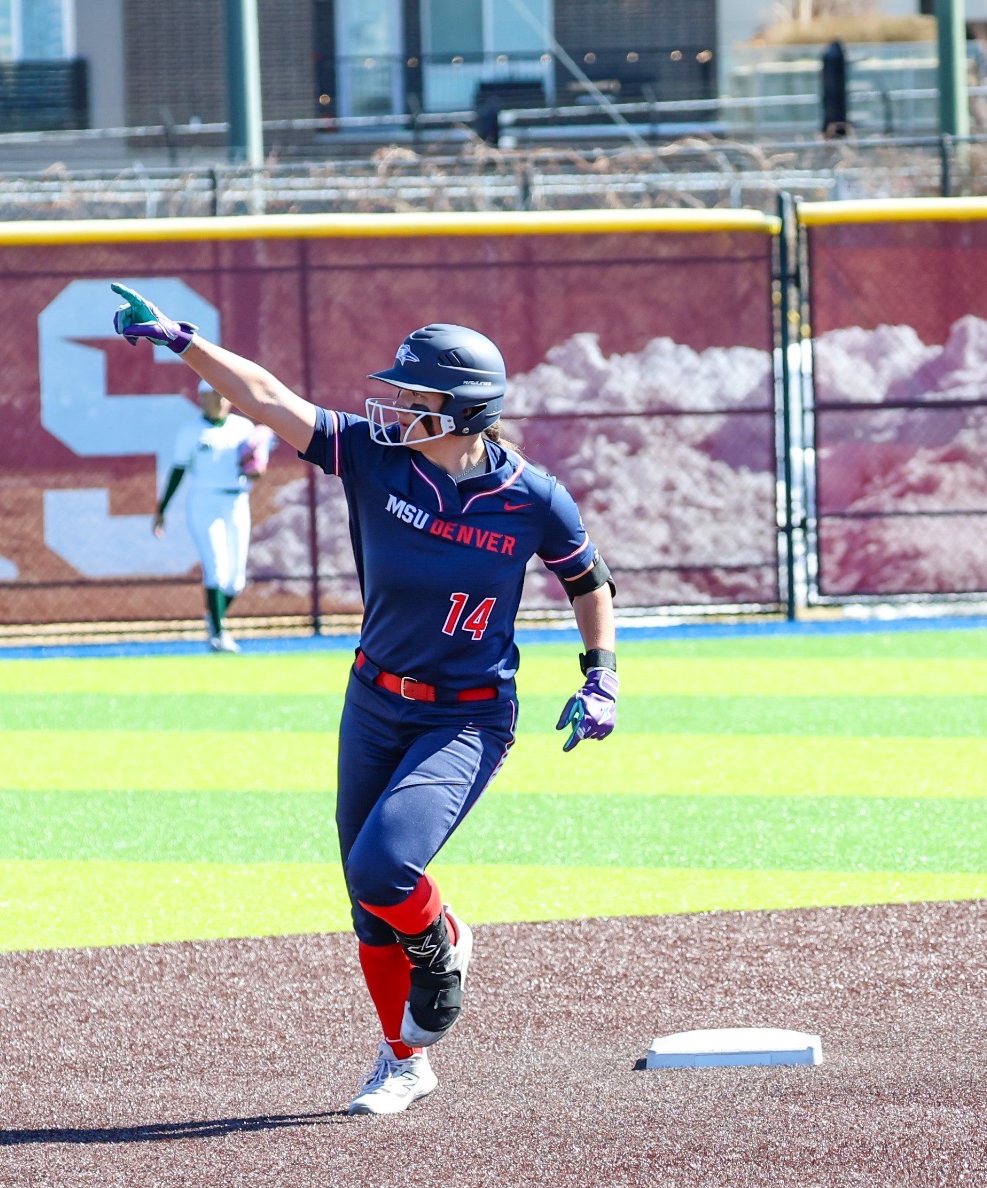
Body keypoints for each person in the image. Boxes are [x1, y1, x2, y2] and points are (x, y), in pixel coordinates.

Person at [113, 285, 619, 1116]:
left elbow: (588, 582)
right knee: (366, 900)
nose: (393, 408)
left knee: (385, 866)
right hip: (373, 698)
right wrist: (182, 341)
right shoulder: (374, 457)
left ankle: (443, 942)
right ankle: (404, 1057)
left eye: (413, 397)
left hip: (467, 712)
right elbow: (269, 396)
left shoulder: (534, 497)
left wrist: (600, 675)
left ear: (460, 410)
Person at [152, 386, 274, 652]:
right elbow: (178, 470)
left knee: (235, 580)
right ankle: (217, 635)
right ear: (201, 399)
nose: (218, 400)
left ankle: (213, 619)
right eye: (212, 395)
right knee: (216, 569)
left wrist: (257, 466)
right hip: (205, 502)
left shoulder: (243, 427)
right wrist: (162, 509)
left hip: (237, 501)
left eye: (222, 395)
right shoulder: (191, 432)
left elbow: (255, 463)